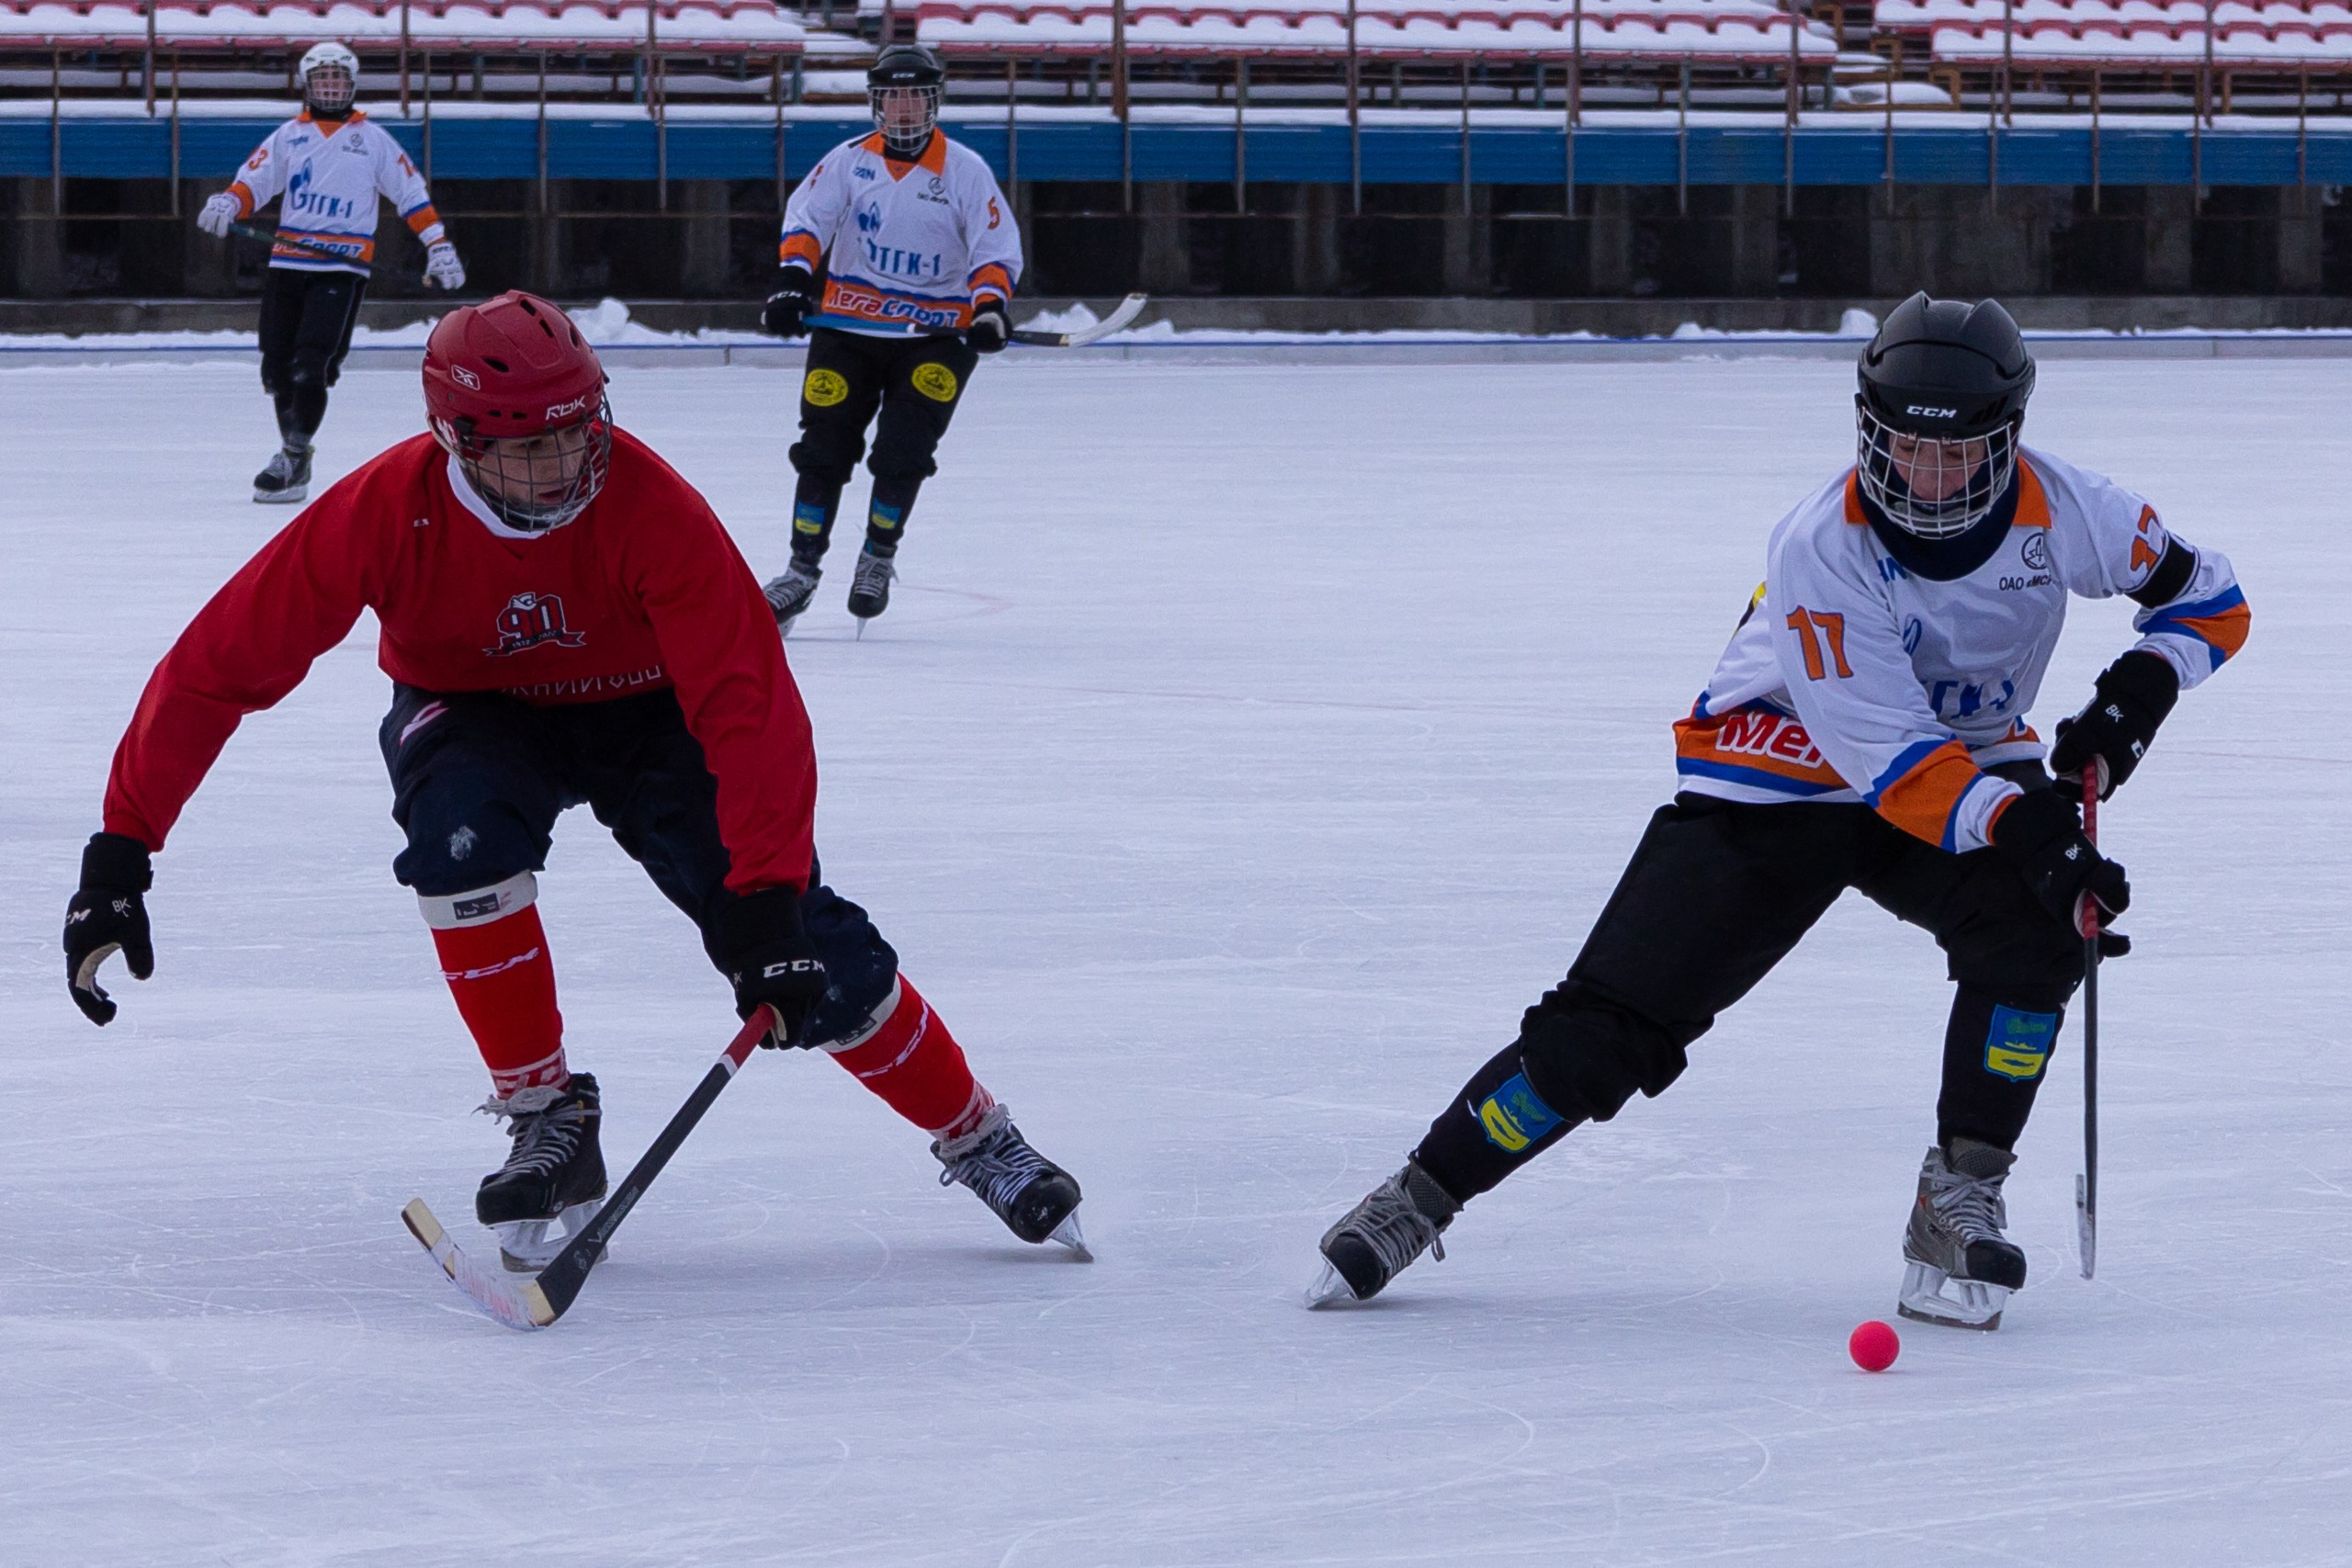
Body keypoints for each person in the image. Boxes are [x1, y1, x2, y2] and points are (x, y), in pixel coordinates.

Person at [62, 291, 1083, 1274]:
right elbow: (217, 666)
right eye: (526, 447)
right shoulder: (384, 509)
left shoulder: (651, 507)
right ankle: (548, 1113)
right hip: (473, 708)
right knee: (458, 842)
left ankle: (976, 1133)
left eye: (574, 432)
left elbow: (750, 704)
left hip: (650, 712)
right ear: (457, 439)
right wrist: (121, 850)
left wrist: (768, 895)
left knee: (802, 942)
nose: (560, 465)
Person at [1308, 294, 2249, 1332]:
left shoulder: (2073, 508)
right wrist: (2031, 831)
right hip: (1782, 766)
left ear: (2008, 441)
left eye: (1956, 456)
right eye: (1903, 450)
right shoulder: (1821, 545)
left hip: (1960, 756)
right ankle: (1422, 1192)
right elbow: (1892, 762)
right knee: (1609, 1032)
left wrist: (2135, 699)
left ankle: (1958, 1195)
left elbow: (2212, 599)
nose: (1926, 481)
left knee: (2042, 929)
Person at [755, 42, 1022, 633]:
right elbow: (807, 221)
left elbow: (995, 251)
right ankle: (800, 570)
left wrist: (988, 310)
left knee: (903, 450)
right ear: (876, 102)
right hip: (849, 327)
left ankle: (878, 554)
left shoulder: (965, 171)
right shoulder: (849, 161)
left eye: (915, 97)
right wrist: (791, 285)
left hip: (936, 335)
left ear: (934, 102)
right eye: (892, 96)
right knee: (822, 448)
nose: (904, 109)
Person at [195, 41, 467, 506]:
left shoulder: (373, 140)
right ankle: (293, 453)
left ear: (352, 85)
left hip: (341, 267)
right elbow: (254, 181)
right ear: (308, 85)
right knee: (276, 367)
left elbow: (410, 193)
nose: (331, 88)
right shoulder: (288, 136)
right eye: (322, 79)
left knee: (311, 364)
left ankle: (292, 455)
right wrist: (228, 202)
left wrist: (437, 245)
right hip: (289, 263)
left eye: (339, 79)